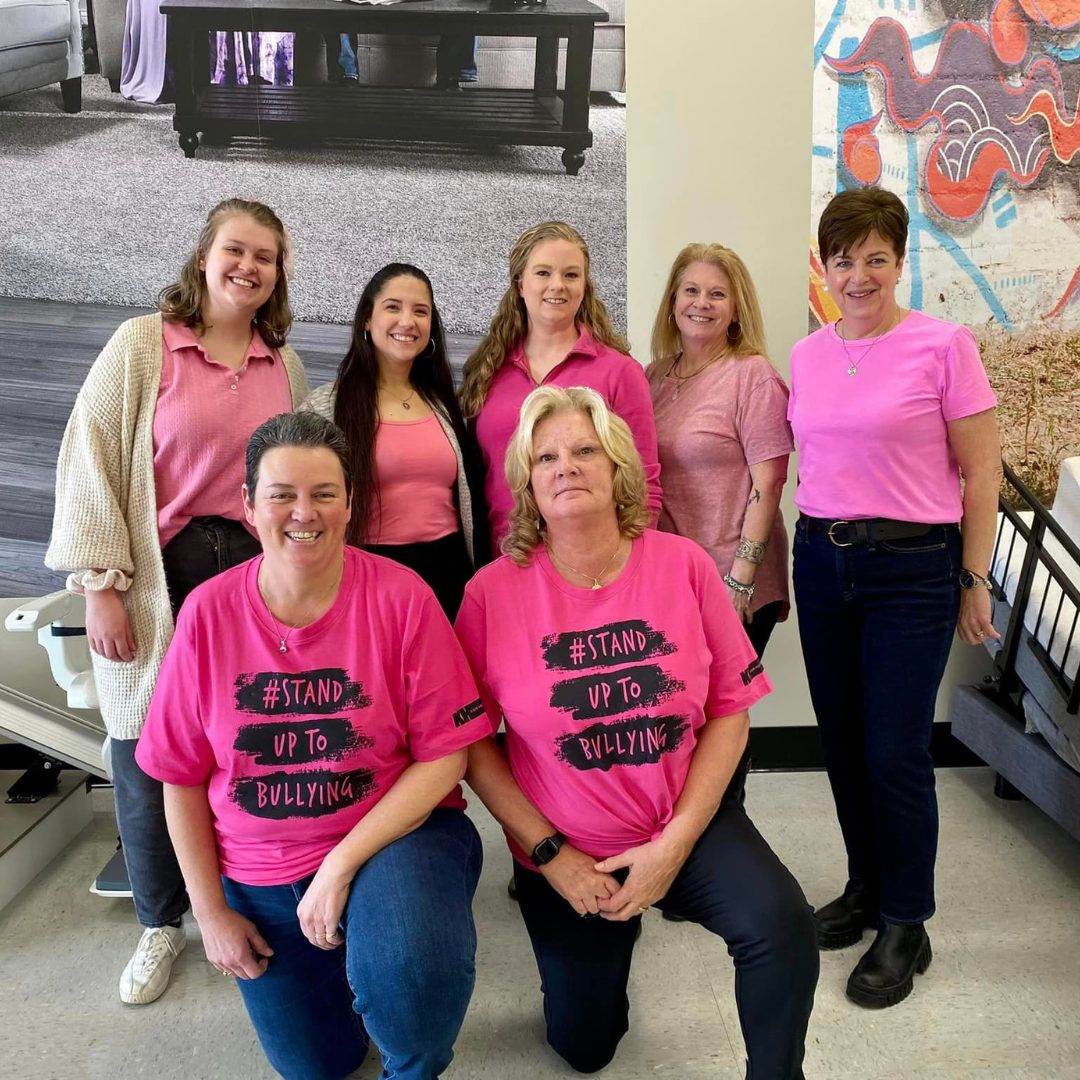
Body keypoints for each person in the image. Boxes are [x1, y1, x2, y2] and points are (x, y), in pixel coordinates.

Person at [455, 386, 818, 1078]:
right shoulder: (491, 594)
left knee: (782, 926)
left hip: (683, 824)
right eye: (547, 456)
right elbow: (472, 743)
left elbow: (729, 711)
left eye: (585, 450)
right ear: (527, 483)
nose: (567, 466)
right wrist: (550, 854)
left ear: (618, 466)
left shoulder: (682, 566)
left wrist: (673, 845)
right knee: (585, 1046)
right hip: (567, 851)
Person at [136, 412, 492, 1080]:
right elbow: (179, 774)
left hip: (392, 840)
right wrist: (210, 914)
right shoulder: (206, 613)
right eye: (282, 494)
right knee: (318, 1067)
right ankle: (353, 973)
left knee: (415, 981)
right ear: (248, 506)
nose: (306, 512)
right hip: (258, 870)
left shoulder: (401, 597)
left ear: (350, 503)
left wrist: (340, 866)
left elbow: (448, 750)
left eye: (325, 493)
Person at [45, 199, 309, 1006]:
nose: (249, 267)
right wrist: (102, 589)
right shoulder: (142, 344)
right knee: (144, 752)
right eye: (236, 249)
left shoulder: (283, 365)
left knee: (248, 741)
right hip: (161, 574)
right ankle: (160, 923)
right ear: (204, 256)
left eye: (266, 257)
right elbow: (89, 457)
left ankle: (239, 900)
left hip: (251, 582)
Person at [790, 185, 1002, 1008]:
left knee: (895, 752)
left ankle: (908, 922)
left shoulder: (943, 345)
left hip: (912, 570)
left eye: (876, 258)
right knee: (842, 743)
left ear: (899, 260)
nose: (859, 275)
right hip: (823, 562)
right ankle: (866, 889)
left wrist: (974, 579)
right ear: (825, 265)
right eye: (844, 259)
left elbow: (981, 475)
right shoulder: (808, 355)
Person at [647, 243, 794, 805]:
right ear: (672, 301)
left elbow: (770, 482)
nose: (701, 303)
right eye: (691, 290)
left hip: (735, 574)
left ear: (736, 308)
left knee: (718, 718)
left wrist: (739, 581)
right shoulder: (654, 375)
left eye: (716, 293)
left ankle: (722, 841)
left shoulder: (751, 375)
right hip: (673, 581)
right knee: (678, 715)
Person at [459, 221, 662, 558]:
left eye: (571, 275)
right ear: (520, 284)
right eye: (543, 273)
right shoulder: (487, 370)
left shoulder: (619, 371)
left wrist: (632, 565)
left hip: (594, 562)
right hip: (506, 559)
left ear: (585, 286)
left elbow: (646, 485)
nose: (557, 286)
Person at [301, 263, 480, 620]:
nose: (407, 321)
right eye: (393, 307)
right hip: (364, 573)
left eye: (420, 311)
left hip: (448, 574)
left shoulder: (444, 404)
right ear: (367, 318)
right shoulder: (325, 408)